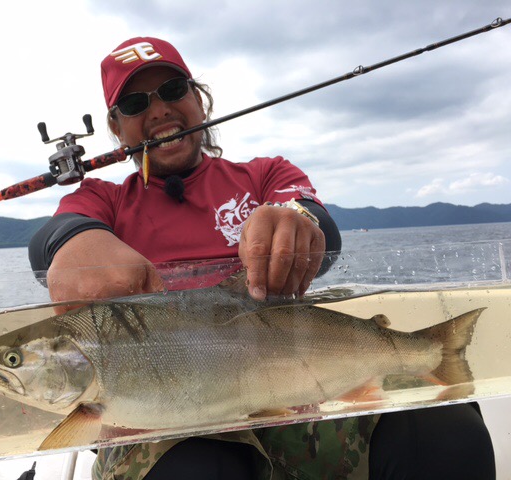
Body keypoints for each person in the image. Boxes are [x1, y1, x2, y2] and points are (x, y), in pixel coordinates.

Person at [29, 37, 495, 480]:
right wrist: (74, 238)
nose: (159, 110)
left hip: (299, 388)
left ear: (198, 99)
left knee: (448, 435)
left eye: (172, 90)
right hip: (162, 417)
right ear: (116, 128)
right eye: (135, 104)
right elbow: (53, 235)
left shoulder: (265, 175)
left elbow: (313, 217)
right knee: (199, 469)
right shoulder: (102, 201)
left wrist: (297, 222)